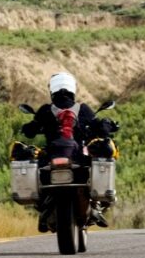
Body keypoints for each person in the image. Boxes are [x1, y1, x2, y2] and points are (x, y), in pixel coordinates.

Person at [21, 72, 107, 231]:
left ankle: (44, 211)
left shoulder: (45, 110)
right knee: (97, 164)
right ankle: (96, 206)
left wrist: (28, 128)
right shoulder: (83, 109)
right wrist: (106, 126)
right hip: (77, 156)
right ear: (72, 89)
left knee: (39, 173)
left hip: (51, 157)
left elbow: (30, 130)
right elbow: (98, 125)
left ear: (52, 90)